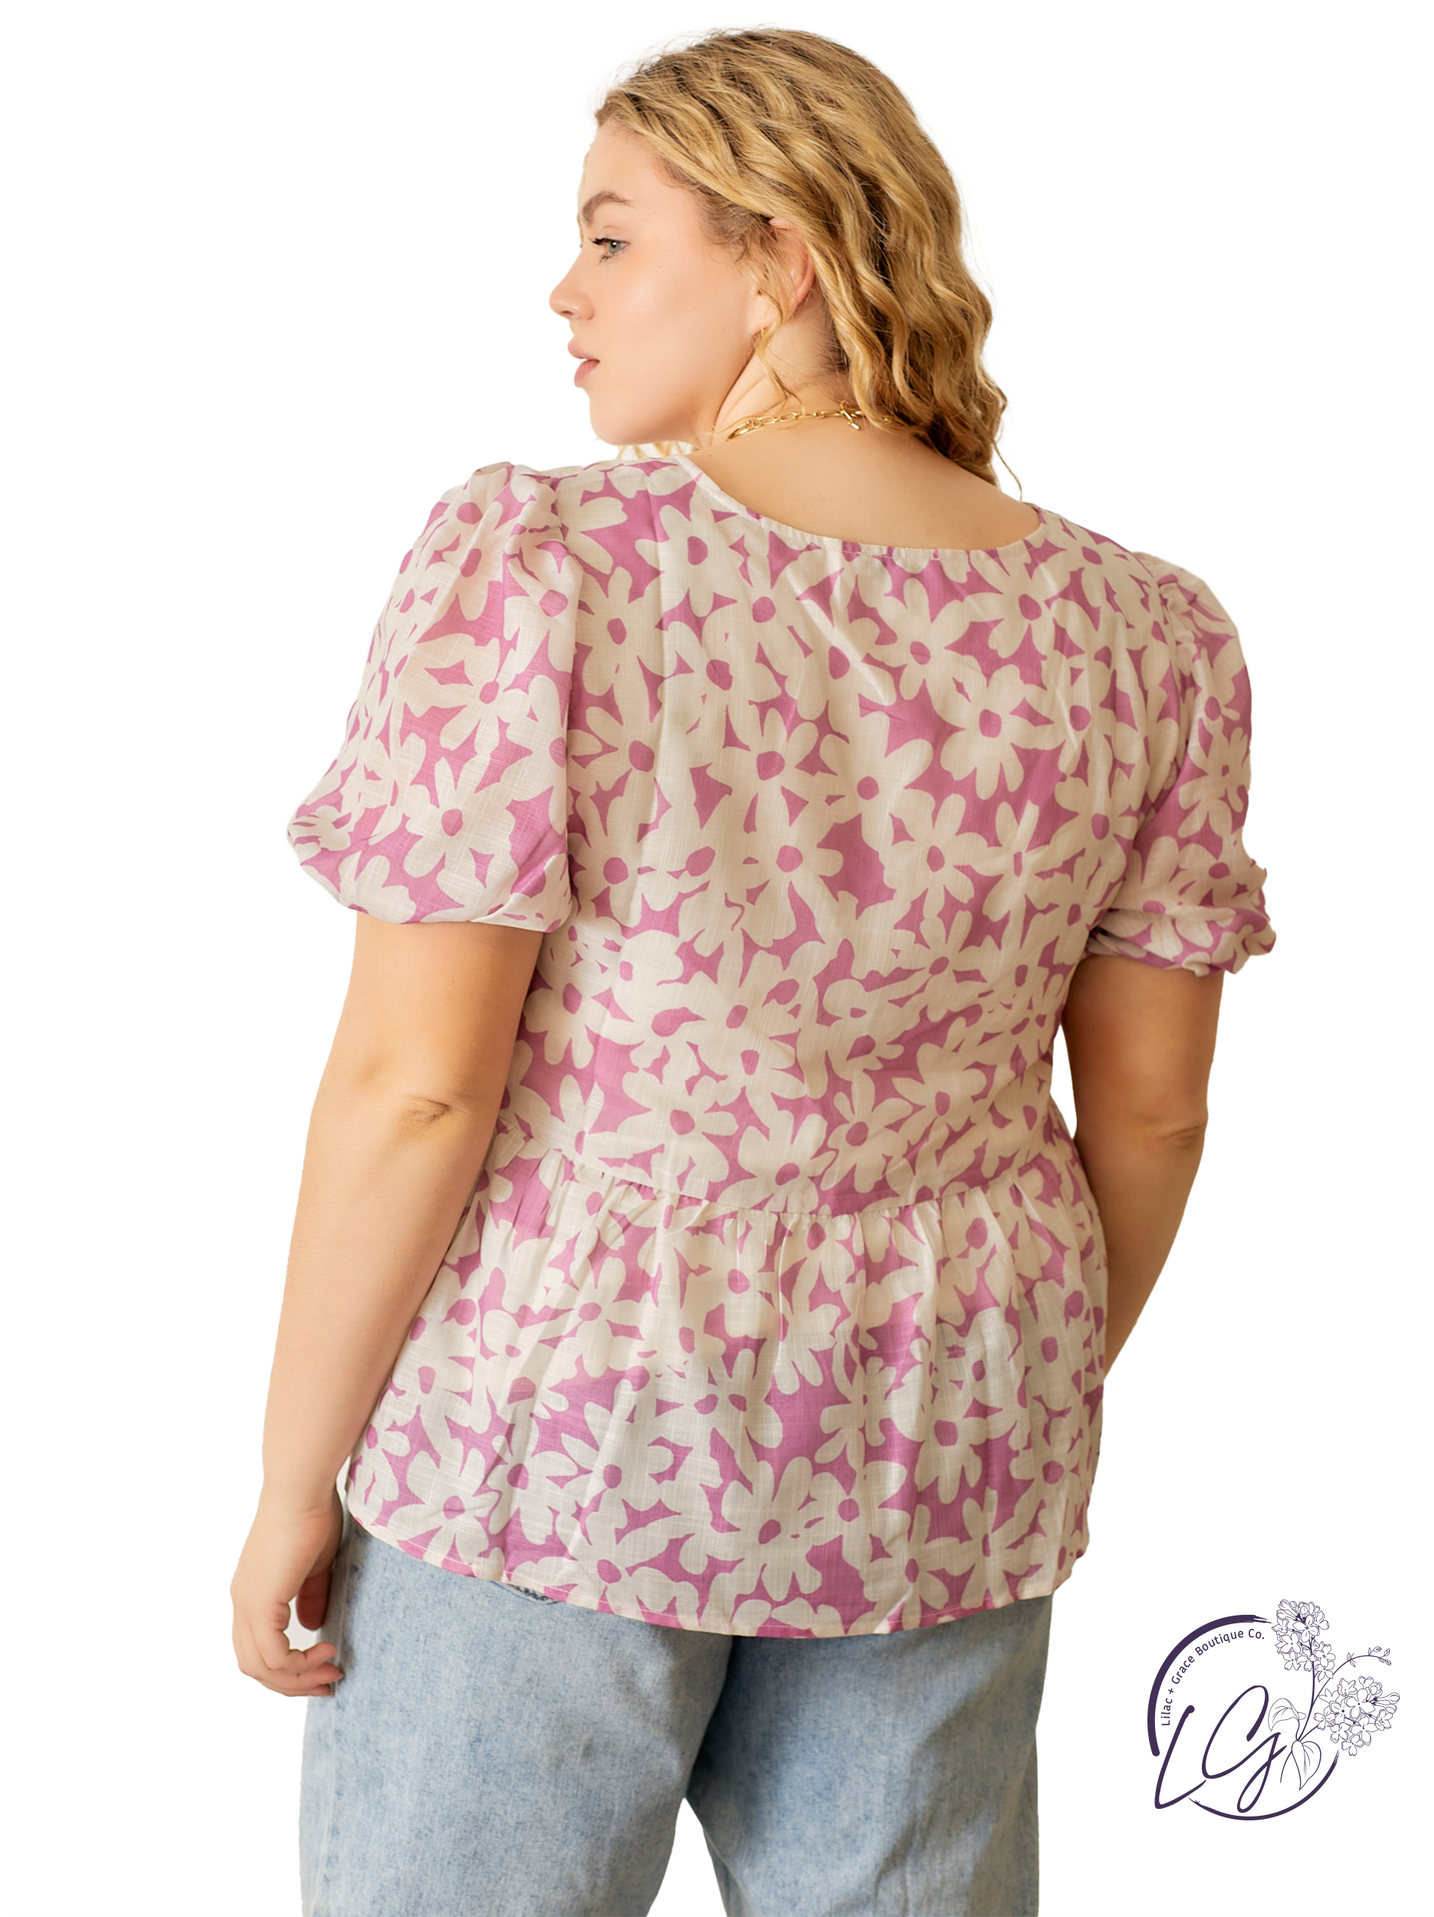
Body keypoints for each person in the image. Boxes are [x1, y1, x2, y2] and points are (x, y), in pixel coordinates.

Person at [231, 26, 1275, 1917]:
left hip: (564, 1437)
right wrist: (999, 1380)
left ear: (781, 260)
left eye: (612, 236)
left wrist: (295, 1480)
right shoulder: (1147, 635)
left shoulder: (551, 566)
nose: (565, 290)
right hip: (944, 1437)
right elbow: (1152, 1111)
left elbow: (417, 1085)